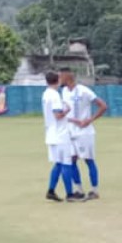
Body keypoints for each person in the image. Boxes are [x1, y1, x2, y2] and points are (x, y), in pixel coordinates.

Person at [62, 67, 105, 199]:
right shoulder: (64, 91)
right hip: (70, 130)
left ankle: (95, 190)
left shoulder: (84, 91)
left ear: (68, 77)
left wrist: (89, 120)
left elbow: (103, 106)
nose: (59, 79)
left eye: (61, 76)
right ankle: (79, 189)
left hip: (84, 131)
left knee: (88, 160)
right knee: (72, 160)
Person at [42, 70, 80, 202]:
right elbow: (58, 115)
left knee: (58, 164)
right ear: (57, 80)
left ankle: (51, 190)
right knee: (66, 163)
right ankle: (70, 194)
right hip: (60, 134)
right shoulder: (55, 96)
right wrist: (67, 111)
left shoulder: (46, 94)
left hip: (51, 134)